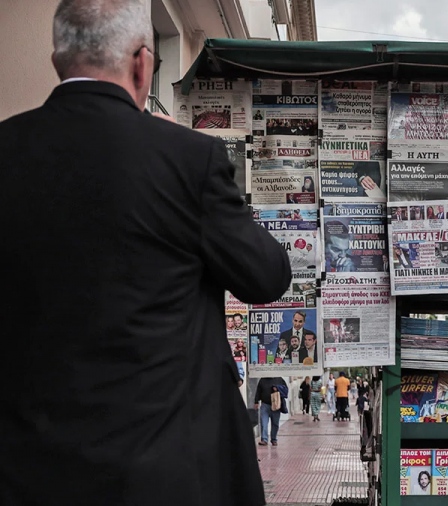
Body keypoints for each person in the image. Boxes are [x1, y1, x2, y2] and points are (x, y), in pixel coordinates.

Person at [0, 2, 291, 506]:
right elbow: (267, 275)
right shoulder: (186, 159)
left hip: (29, 470)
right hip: (166, 469)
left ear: (56, 61)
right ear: (142, 64)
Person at [254, 376, 288, 447]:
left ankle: (274, 439)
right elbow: (258, 391)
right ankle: (264, 439)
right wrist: (256, 401)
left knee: (275, 424)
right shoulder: (262, 379)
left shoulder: (279, 379)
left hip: (276, 405)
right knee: (264, 423)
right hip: (265, 404)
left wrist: (278, 388)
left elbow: (286, 390)